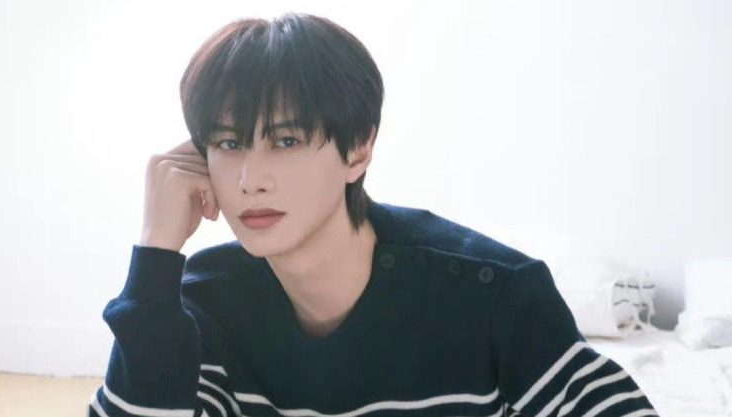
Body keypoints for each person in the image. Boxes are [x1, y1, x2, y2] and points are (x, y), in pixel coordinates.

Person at [88, 12, 658, 417]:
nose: (249, 178)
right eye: (229, 143)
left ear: (358, 150)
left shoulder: (493, 293)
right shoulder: (202, 302)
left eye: (285, 141)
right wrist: (156, 252)